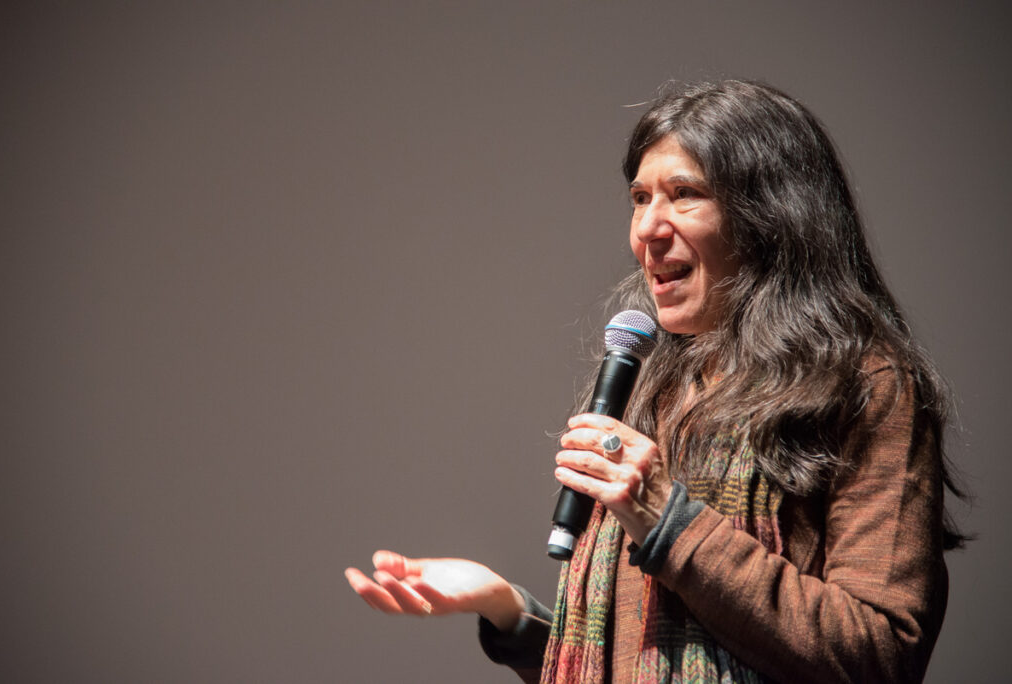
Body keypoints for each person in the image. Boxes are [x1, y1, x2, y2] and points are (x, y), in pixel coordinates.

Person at [344, 80, 965, 683]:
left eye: (684, 193)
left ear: (772, 216)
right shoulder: (656, 381)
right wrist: (506, 607)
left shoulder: (865, 386)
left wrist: (671, 521)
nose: (647, 228)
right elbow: (636, 656)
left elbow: (882, 654)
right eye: (640, 198)